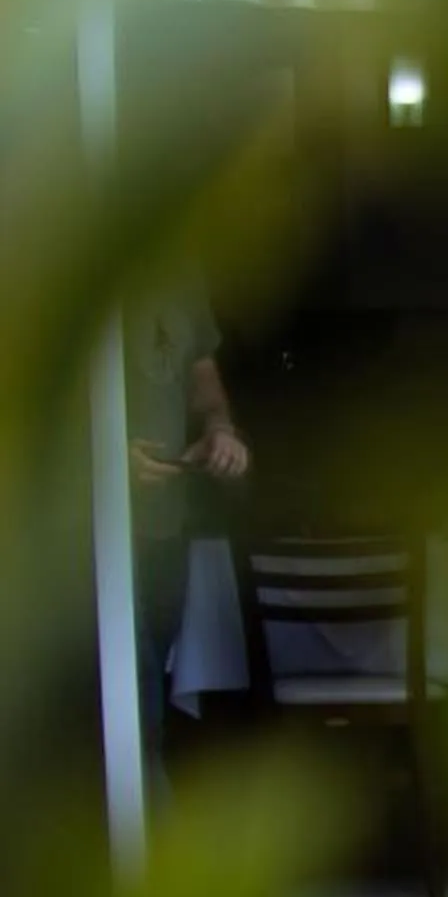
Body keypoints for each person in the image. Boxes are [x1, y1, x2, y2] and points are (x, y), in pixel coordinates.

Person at [126, 274, 250, 792]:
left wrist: (218, 428)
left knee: (154, 675)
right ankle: (142, 833)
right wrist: (100, 459)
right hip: (89, 535)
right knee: (136, 689)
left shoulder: (178, 270)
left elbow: (202, 374)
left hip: (164, 524)